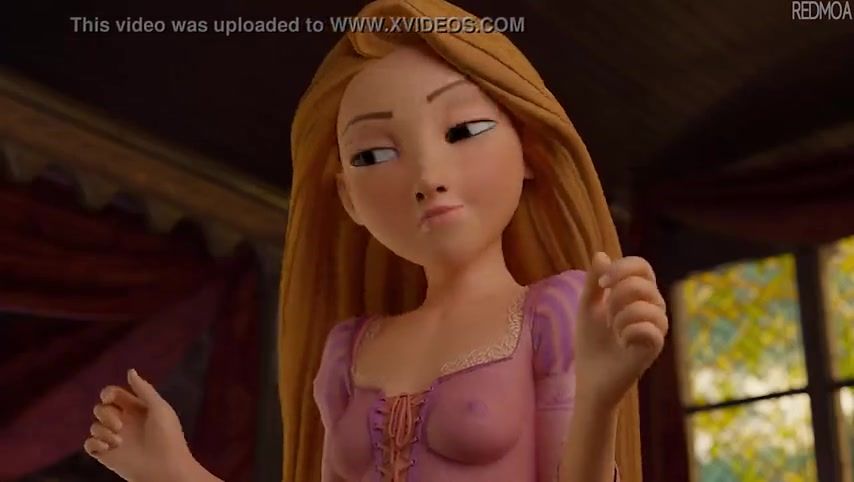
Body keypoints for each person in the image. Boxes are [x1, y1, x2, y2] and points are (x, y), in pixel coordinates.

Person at [83, 0, 668, 481]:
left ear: (529, 151)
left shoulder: (555, 313)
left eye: (463, 130)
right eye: (374, 155)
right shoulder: (348, 350)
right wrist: (172, 470)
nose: (427, 176)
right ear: (348, 198)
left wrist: (599, 395)